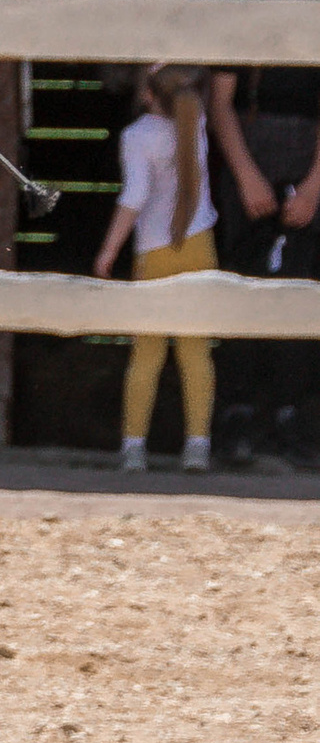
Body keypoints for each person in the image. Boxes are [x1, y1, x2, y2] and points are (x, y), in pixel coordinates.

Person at [207, 0, 320, 466]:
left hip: (310, 169)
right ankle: (238, 423)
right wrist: (247, 175)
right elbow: (220, 105)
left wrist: (315, 187)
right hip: (252, 167)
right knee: (243, 288)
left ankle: (292, 422)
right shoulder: (243, 15)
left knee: (303, 291)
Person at [92, 64, 216, 472]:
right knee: (196, 353)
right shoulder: (195, 123)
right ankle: (197, 446)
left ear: (147, 95)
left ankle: (133, 448)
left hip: (155, 252)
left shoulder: (137, 136)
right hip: (199, 245)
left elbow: (136, 195)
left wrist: (108, 250)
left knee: (146, 354)